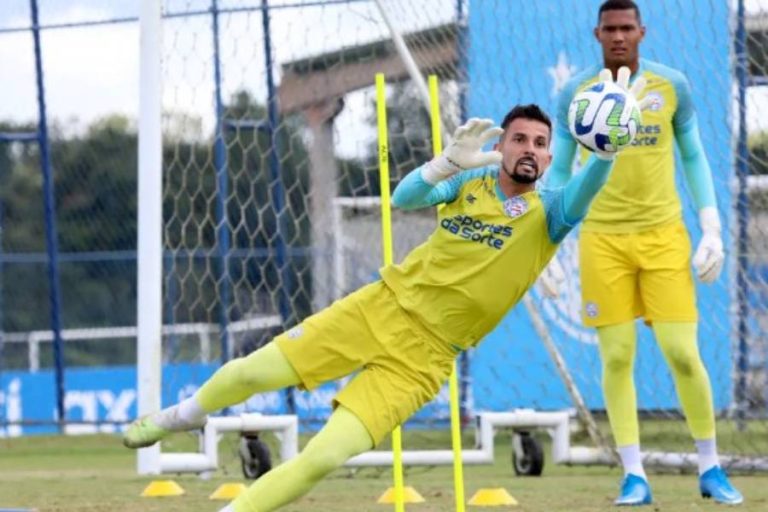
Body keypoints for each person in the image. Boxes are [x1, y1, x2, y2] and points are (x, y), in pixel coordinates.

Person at [123, 72, 640, 512]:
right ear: (501, 145)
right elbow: (404, 196)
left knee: (323, 457)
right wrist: (448, 163)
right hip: (379, 307)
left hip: (423, 360)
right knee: (253, 371)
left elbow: (592, 179)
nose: (530, 150)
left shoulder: (551, 212)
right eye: (521, 140)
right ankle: (184, 415)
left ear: (549, 159)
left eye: (540, 144)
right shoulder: (468, 184)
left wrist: (612, 139)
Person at [545, 0, 743, 506]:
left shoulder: (671, 84)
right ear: (597, 33)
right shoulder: (576, 93)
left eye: (626, 28)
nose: (617, 36)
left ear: (641, 31)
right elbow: (561, 173)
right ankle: (633, 475)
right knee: (617, 356)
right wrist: (546, 243)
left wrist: (712, 229)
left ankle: (711, 468)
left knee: (682, 353)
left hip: (663, 237)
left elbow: (694, 154)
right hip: (602, 241)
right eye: (609, 28)